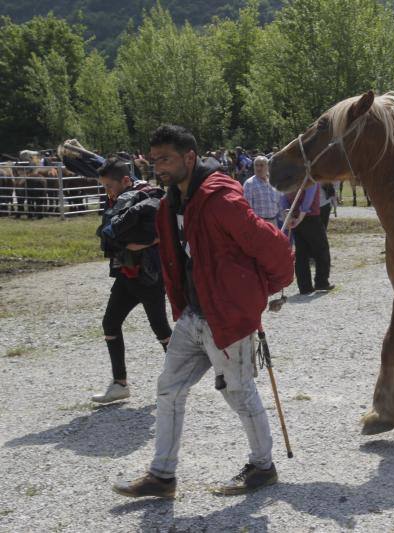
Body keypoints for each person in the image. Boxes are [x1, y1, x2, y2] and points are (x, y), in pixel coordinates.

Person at [112, 125, 294, 499]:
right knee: (169, 389)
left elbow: (268, 242)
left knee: (239, 392)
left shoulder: (221, 198)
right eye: (154, 160)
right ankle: (162, 477)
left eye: (166, 159)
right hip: (194, 315)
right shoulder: (171, 202)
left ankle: (263, 467)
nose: (158, 167)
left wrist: (271, 286)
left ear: (189, 157)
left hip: (228, 316)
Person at [92, 158, 172, 404]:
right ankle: (120, 384)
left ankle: (178, 378)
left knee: (160, 328)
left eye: (109, 186)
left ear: (126, 180)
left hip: (149, 276)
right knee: (110, 324)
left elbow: (165, 232)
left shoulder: (150, 197)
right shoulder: (119, 201)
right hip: (126, 274)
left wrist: (147, 243)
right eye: (104, 186)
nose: (108, 191)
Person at [281, 182, 335, 295]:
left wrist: (289, 216)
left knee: (301, 253)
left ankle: (305, 286)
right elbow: (308, 201)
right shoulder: (309, 179)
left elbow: (284, 198)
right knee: (321, 249)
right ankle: (321, 282)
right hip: (310, 218)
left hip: (296, 219)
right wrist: (298, 217)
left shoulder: (290, 178)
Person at [243, 156, 282, 226]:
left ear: (268, 167)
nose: (258, 168)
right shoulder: (249, 183)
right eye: (256, 165)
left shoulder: (273, 182)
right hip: (258, 223)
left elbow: (280, 202)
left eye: (261, 165)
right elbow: (247, 208)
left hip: (274, 222)